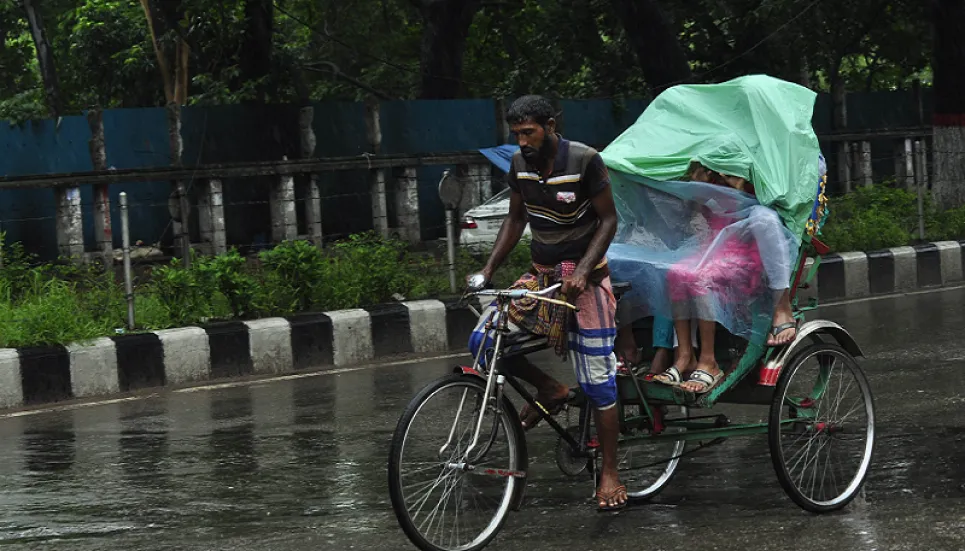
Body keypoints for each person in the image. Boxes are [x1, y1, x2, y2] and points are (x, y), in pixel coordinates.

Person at [466, 95, 626, 511]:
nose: (522, 141)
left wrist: (582, 270)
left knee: (596, 383)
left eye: (529, 132)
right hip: (542, 278)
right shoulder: (520, 165)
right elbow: (516, 219)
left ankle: (609, 471)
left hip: (586, 282)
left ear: (550, 125)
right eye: (516, 134)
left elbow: (609, 220)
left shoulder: (586, 160)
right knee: (485, 339)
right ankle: (551, 389)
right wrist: (487, 271)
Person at [653, 162, 797, 393]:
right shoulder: (714, 189)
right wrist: (698, 181)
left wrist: (731, 179)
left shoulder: (759, 199)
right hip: (716, 253)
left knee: (701, 275)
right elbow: (688, 212)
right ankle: (684, 355)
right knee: (676, 273)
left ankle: (708, 361)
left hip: (746, 261)